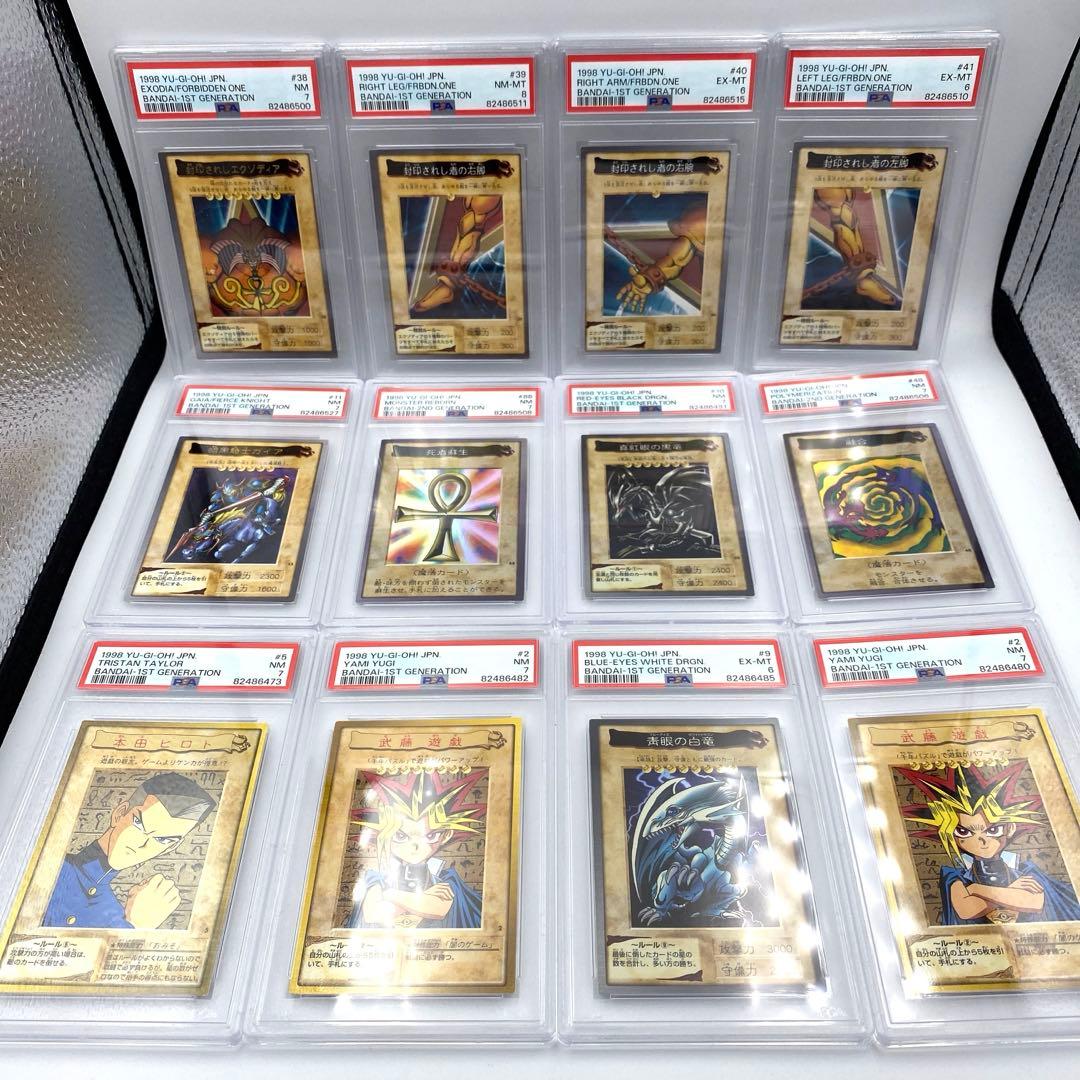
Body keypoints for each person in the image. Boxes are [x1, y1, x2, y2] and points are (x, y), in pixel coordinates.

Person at [43, 772, 215, 930]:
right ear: (119, 814)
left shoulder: (118, 914)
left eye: (163, 840)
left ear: (171, 847)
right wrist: (138, 925)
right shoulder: (49, 867)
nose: (143, 844)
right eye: (139, 824)